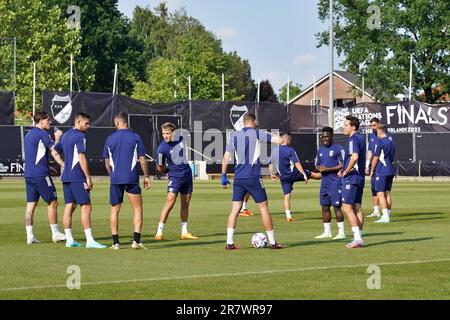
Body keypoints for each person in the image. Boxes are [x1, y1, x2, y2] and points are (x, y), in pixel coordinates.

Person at [221, 113, 283, 250]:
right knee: (263, 207)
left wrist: (224, 175)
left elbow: (226, 157)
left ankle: (229, 243)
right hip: (253, 177)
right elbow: (279, 140)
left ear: (243, 123)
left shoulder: (235, 136)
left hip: (238, 178)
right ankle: (273, 242)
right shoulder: (257, 133)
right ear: (254, 121)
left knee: (235, 209)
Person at [55, 113, 106, 249]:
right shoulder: (80, 136)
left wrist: (62, 164)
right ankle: (89, 240)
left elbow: (54, 150)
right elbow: (81, 157)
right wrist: (88, 177)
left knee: (69, 205)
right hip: (77, 177)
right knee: (86, 206)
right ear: (78, 122)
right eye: (86, 123)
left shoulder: (65, 135)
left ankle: (69, 240)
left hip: (66, 176)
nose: (88, 126)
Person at [103, 112, 151, 250]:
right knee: (137, 208)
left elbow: (107, 163)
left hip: (115, 179)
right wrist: (146, 176)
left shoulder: (110, 139)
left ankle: (115, 243)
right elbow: (142, 159)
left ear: (117, 122)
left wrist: (112, 176)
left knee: (114, 210)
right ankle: (136, 241)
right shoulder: (135, 137)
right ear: (126, 122)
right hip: (131, 178)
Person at [23, 111, 66, 244]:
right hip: (41, 174)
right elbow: (55, 151)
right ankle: (55, 233)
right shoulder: (43, 134)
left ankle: (30, 236)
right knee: (53, 202)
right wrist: (58, 138)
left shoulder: (28, 134)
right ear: (41, 121)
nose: (50, 122)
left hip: (29, 175)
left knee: (31, 205)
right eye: (48, 120)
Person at [154, 122, 198, 240]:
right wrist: (168, 170)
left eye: (168, 133)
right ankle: (159, 232)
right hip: (175, 177)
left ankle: (184, 232)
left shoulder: (181, 140)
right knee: (170, 202)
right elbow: (159, 167)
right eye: (163, 133)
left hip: (187, 176)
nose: (165, 136)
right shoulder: (161, 148)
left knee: (185, 203)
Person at [269, 132, 321, 222]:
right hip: (295, 174)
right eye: (290, 140)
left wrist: (272, 174)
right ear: (287, 140)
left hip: (284, 177)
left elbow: (270, 164)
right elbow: (297, 163)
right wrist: (304, 174)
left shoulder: (274, 151)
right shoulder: (290, 150)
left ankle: (288, 216)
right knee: (314, 175)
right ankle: (330, 175)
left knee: (287, 196)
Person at [315, 126, 346, 240]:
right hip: (324, 183)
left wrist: (328, 169)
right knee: (324, 207)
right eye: (323, 137)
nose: (325, 139)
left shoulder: (338, 148)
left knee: (336, 207)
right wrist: (320, 168)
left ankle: (342, 233)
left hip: (335, 183)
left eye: (327, 136)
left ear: (332, 136)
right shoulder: (320, 150)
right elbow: (316, 164)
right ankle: (327, 232)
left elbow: (343, 164)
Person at [340, 115, 366, 248]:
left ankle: (357, 239)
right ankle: (359, 236)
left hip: (352, 178)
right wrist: (344, 168)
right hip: (359, 177)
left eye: (345, 125)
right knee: (357, 208)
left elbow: (354, 157)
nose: (343, 127)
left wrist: (346, 171)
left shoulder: (353, 139)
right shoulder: (361, 138)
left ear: (353, 127)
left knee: (346, 207)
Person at [370, 125, 396, 223]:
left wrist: (372, 170)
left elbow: (376, 157)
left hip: (381, 170)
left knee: (380, 193)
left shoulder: (380, 142)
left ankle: (385, 217)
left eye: (377, 132)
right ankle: (387, 215)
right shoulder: (391, 142)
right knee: (387, 193)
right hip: (390, 170)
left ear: (380, 132)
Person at [366, 117, 381, 218]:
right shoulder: (371, 136)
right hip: (373, 166)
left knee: (382, 190)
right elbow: (370, 151)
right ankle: (376, 211)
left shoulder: (384, 135)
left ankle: (386, 212)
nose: (373, 127)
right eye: (371, 126)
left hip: (382, 166)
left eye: (374, 125)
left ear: (379, 124)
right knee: (373, 188)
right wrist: (367, 164)